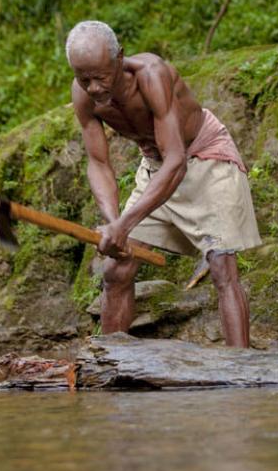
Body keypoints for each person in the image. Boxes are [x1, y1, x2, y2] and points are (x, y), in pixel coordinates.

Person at [67, 20, 262, 347]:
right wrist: (114, 223)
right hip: (156, 166)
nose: (95, 89)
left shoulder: (152, 75)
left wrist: (124, 224)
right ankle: (111, 363)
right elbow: (98, 163)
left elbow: (177, 161)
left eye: (101, 77)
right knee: (117, 267)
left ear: (119, 59)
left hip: (203, 156)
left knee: (221, 266)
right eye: (84, 79)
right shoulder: (83, 95)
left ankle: (239, 367)